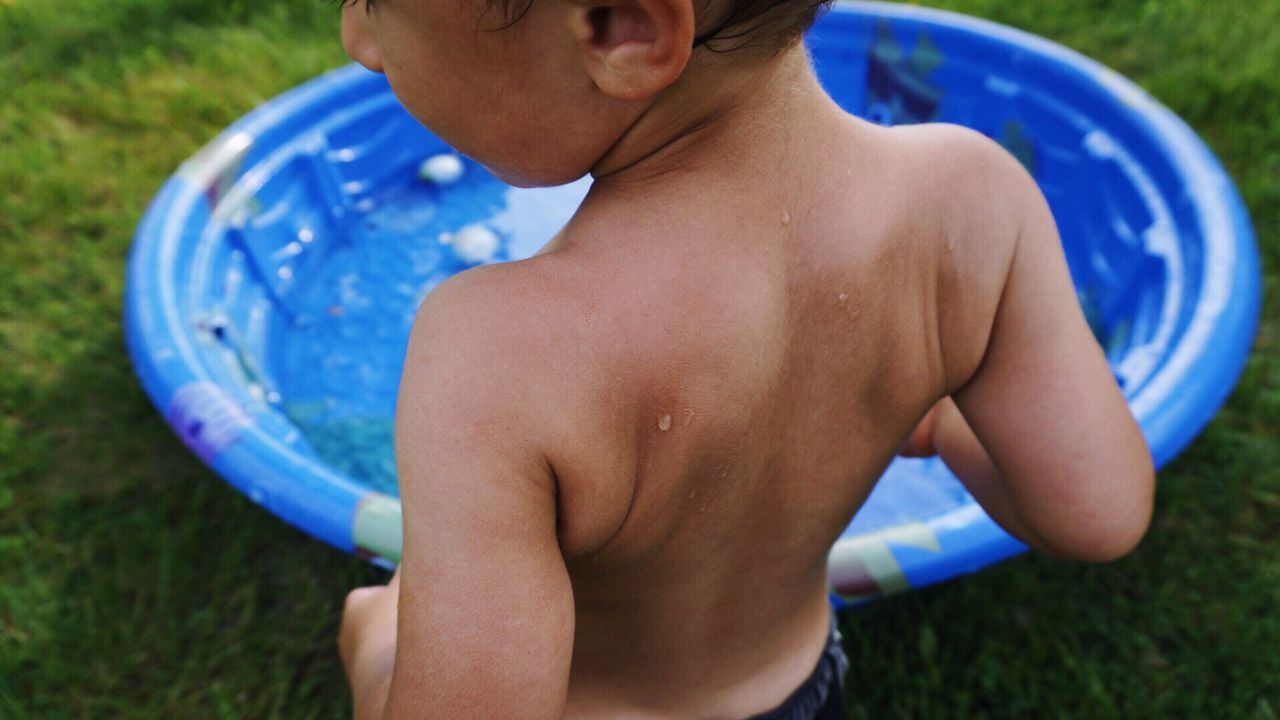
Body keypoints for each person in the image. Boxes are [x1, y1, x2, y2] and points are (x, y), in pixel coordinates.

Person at [334, 0, 1156, 716]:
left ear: (621, 27)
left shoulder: (492, 353)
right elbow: (1098, 510)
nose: (357, 40)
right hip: (801, 693)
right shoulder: (974, 199)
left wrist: (377, 645)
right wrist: (937, 419)